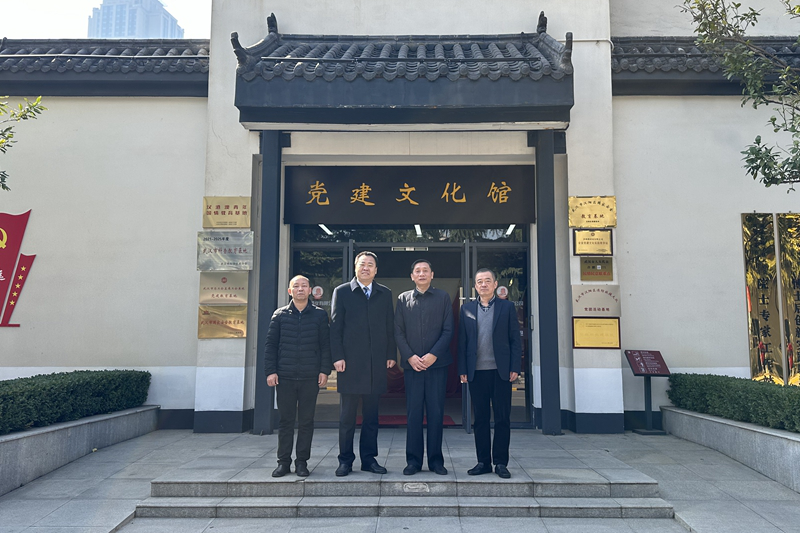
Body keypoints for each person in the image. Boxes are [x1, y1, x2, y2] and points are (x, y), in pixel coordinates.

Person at [330, 251, 397, 477]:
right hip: (349, 364)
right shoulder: (342, 292)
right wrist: (337, 356)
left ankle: (369, 459)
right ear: (355, 268)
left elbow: (389, 325)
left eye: (370, 265)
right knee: (347, 418)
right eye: (362, 264)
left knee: (371, 417)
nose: (366, 268)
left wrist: (390, 353)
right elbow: (335, 328)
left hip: (375, 364)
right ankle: (345, 460)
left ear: (376, 270)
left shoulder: (384, 293)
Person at [264, 275, 332, 478]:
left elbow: (325, 346)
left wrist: (324, 370)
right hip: (284, 377)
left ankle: (302, 462)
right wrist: (270, 371)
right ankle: (283, 462)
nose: (300, 289)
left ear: (310, 290)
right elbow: (270, 345)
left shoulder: (320, 315)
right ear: (290, 291)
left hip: (310, 377)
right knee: (285, 421)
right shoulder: (279, 315)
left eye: (304, 286)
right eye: (296, 286)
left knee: (306, 421)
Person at [458, 268, 522, 479]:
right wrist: (463, 369)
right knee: (481, 419)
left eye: (487, 281)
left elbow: (515, 339)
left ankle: (501, 463)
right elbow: (462, 342)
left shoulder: (507, 307)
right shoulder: (467, 309)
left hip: (501, 371)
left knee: (502, 418)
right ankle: (483, 462)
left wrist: (515, 366)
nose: (483, 284)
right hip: (476, 372)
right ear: (475, 286)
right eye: (479, 281)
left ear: (495, 284)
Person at [394, 259, 454, 476]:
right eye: (417, 271)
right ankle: (413, 461)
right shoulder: (403, 299)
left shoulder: (443, 297)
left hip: (437, 366)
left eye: (425, 271)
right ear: (412, 276)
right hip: (413, 368)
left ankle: (436, 461)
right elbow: (398, 331)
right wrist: (410, 357)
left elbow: (448, 330)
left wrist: (433, 355)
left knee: (436, 413)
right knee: (414, 414)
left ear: (432, 274)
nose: (421, 274)